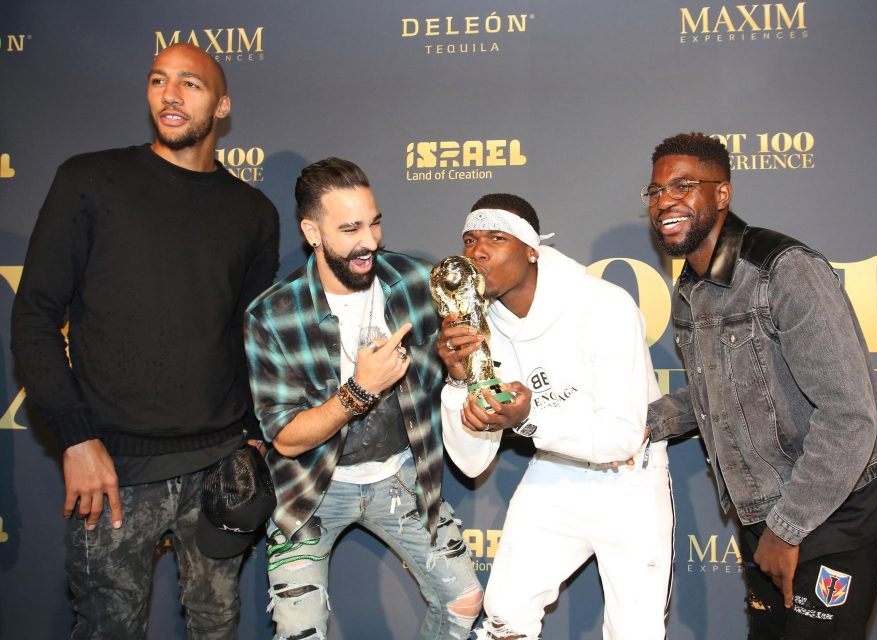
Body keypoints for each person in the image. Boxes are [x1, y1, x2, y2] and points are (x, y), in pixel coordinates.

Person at [10, 43, 280, 638]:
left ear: (223, 104)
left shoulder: (253, 212)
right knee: (109, 628)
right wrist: (77, 439)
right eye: (159, 80)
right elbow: (33, 315)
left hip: (219, 466)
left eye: (191, 83)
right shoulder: (90, 180)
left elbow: (250, 338)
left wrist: (255, 441)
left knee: (218, 624)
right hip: (113, 468)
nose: (170, 94)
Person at [642, 133, 877, 639]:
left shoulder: (784, 271)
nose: (665, 202)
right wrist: (636, 422)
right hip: (766, 510)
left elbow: (849, 417)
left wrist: (787, 530)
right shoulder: (692, 289)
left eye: (683, 186)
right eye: (655, 191)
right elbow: (717, 400)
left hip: (834, 506)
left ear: (722, 194)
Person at [244, 157, 482, 639]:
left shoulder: (418, 283)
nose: (370, 241)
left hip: (399, 478)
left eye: (374, 223)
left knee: (465, 600)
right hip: (309, 491)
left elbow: (461, 367)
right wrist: (359, 391)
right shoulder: (273, 314)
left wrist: (461, 368)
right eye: (350, 228)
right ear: (312, 231)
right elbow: (286, 440)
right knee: (301, 633)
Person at [439, 194, 675, 640]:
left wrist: (529, 420)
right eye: (469, 240)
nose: (477, 252)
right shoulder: (478, 329)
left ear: (531, 249)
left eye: (495, 238)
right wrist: (457, 384)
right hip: (554, 472)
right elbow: (471, 463)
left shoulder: (604, 304)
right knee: (505, 615)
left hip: (630, 481)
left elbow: (623, 437)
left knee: (635, 632)